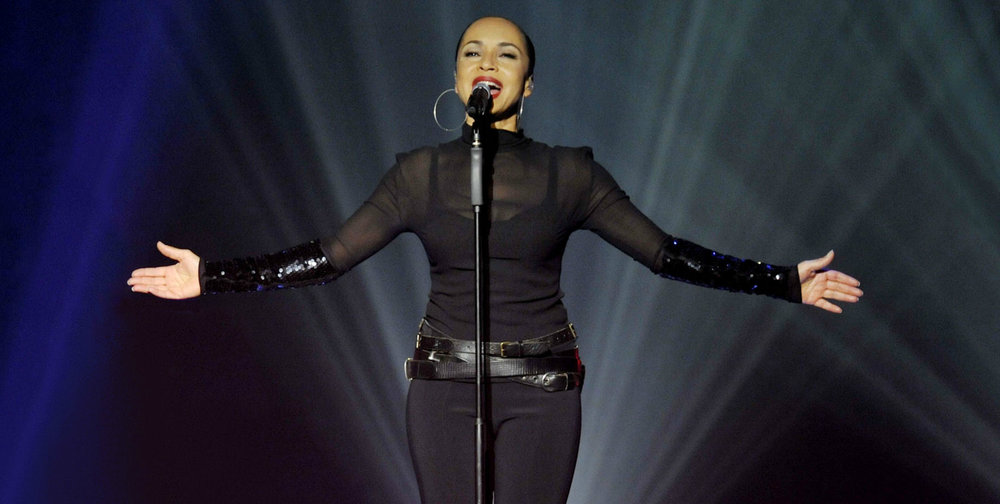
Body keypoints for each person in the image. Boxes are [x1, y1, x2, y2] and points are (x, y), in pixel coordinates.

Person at [128, 16, 863, 504]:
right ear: (457, 81)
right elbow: (330, 256)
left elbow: (665, 254)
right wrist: (212, 277)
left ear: (528, 84)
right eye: (473, 52)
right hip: (442, 389)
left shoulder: (572, 174)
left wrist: (780, 281)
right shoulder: (417, 175)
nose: (488, 61)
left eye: (506, 54)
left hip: (543, 389)